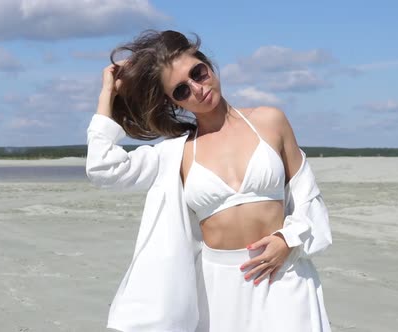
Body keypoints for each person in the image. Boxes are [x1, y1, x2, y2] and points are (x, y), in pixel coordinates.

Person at [86, 30, 332, 332]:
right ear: (173, 102)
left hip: (284, 271)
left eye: (197, 73)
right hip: (219, 286)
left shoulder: (270, 121)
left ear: (208, 66)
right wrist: (107, 94)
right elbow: (104, 169)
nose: (197, 89)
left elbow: (308, 197)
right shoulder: (175, 154)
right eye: (181, 90)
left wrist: (287, 240)